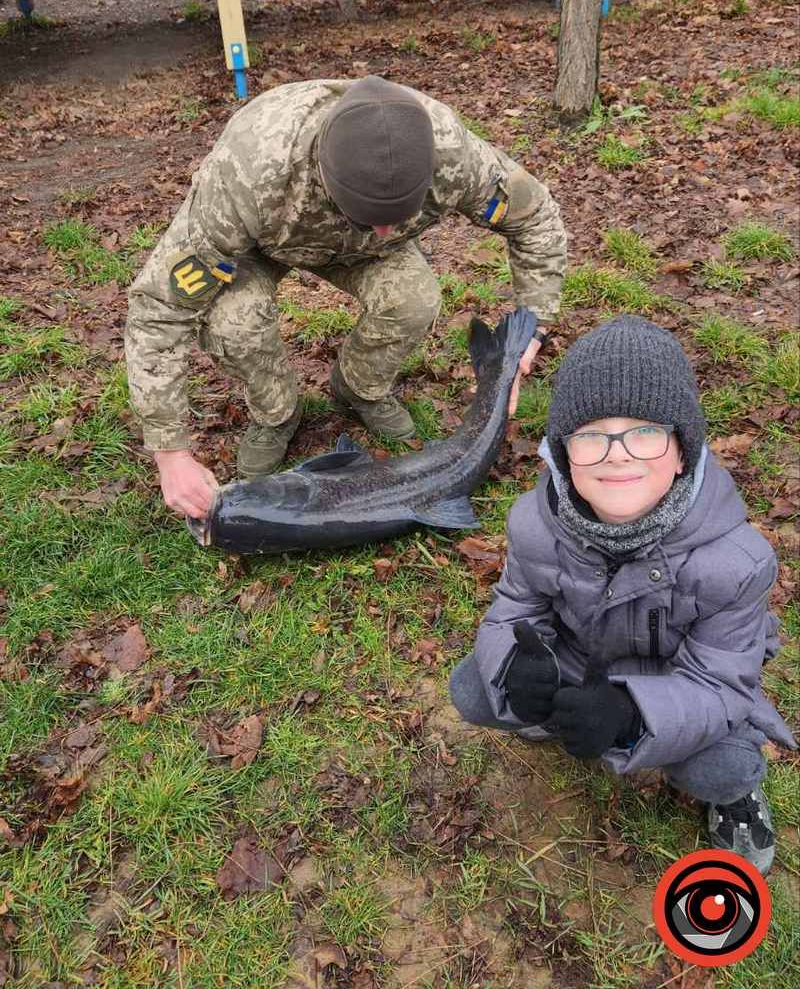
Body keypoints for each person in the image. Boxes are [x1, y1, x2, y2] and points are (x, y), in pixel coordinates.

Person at [124, 76, 567, 520]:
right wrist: (171, 452)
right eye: (371, 215)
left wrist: (534, 325)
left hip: (365, 255)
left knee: (414, 299)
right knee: (235, 322)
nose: (386, 229)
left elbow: (535, 217)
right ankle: (278, 412)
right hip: (260, 243)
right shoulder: (251, 172)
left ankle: (359, 387)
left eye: (398, 216)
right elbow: (159, 309)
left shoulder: (452, 153)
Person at [449, 315, 796, 875]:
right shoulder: (533, 524)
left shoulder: (737, 563)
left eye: (644, 432)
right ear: (563, 455)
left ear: (683, 449)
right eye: (591, 435)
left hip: (674, 684)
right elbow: (514, 607)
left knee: (722, 769)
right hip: (578, 660)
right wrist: (514, 665)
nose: (617, 454)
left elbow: (722, 683)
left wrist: (633, 715)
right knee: (473, 687)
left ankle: (735, 801)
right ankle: (558, 715)